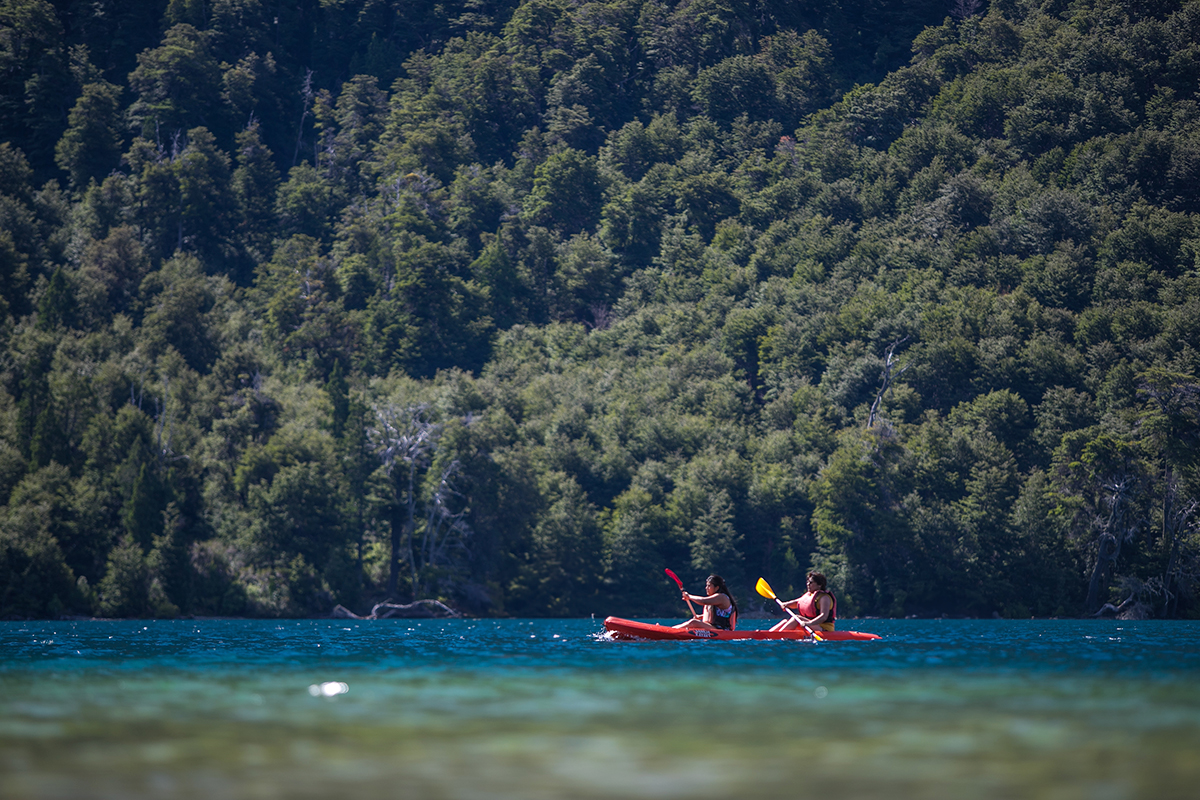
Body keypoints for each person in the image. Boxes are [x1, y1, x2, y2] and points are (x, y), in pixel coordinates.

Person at [769, 572, 836, 633]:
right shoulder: (810, 595)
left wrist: (809, 623)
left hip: (824, 629)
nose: (808, 584)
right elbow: (797, 602)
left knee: (797, 618)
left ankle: (778, 636)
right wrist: (786, 604)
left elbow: (823, 616)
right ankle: (769, 634)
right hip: (811, 626)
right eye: (807, 582)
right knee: (785, 621)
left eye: (811, 582)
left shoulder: (824, 598)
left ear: (819, 585)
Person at [673, 574, 738, 631]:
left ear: (717, 587)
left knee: (694, 622)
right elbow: (718, 614)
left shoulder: (722, 597)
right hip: (712, 628)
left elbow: (703, 601)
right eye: (706, 585)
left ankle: (671, 630)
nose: (706, 588)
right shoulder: (714, 599)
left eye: (709, 586)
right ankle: (672, 630)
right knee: (693, 624)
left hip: (721, 630)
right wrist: (701, 616)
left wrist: (689, 596)